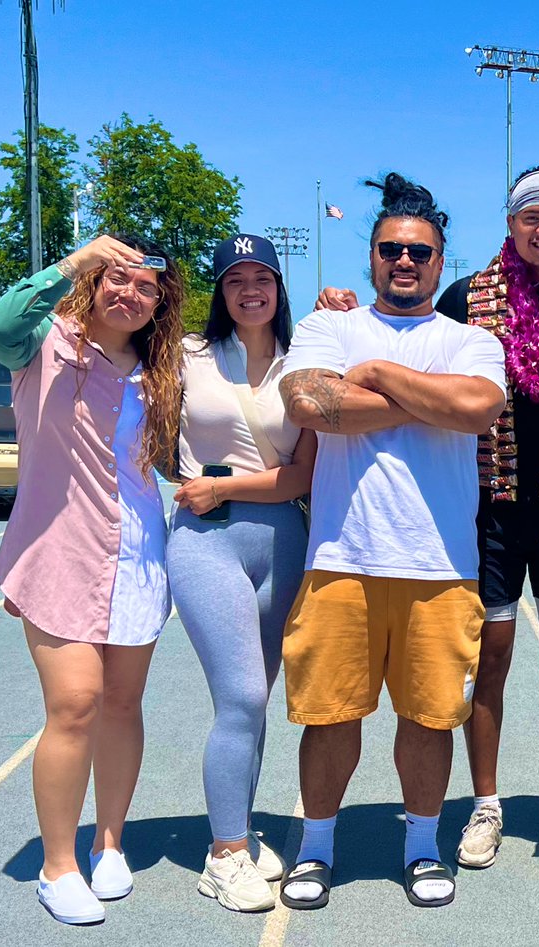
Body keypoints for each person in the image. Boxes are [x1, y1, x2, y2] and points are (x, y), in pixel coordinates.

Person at [317, 166, 539, 872]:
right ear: (510, 223)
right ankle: (486, 805)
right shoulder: (467, 296)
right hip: (483, 508)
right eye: (531, 217)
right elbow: (413, 342)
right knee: (485, 664)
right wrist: (337, 307)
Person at [277, 173, 506, 911]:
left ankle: (421, 844)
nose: (404, 262)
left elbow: (478, 410)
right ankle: (315, 848)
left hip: (440, 562)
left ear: (441, 262)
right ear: (370, 257)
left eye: (419, 251)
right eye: (390, 250)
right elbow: (309, 402)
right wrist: (419, 396)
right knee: (329, 713)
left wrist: (374, 376)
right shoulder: (329, 328)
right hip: (341, 554)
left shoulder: (471, 339)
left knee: (431, 715)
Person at [0, 234, 184, 925]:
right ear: (94, 283)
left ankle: (110, 841)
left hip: (139, 551)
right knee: (75, 703)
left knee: (124, 706)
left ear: (160, 302)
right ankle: (57, 865)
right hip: (61, 554)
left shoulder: (160, 369)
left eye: (145, 286)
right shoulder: (45, 342)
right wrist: (72, 260)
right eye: (115, 278)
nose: (129, 292)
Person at [167, 234, 317, 912]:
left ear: (279, 288)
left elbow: (304, 473)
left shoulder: (303, 363)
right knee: (244, 698)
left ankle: (243, 832)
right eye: (235, 279)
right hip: (206, 542)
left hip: (282, 542)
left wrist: (226, 487)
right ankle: (223, 854)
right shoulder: (187, 356)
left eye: (262, 276)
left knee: (256, 701)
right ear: (220, 292)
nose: (250, 289)